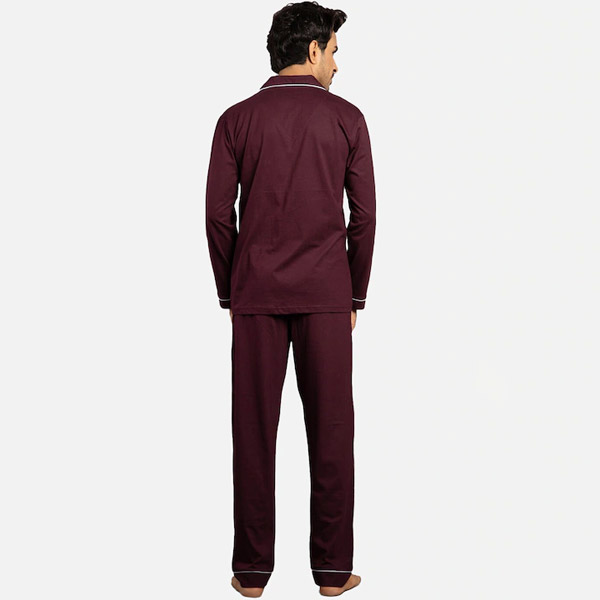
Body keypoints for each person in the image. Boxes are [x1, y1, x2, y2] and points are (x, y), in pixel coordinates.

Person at [205, 1, 376, 596]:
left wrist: (231, 289)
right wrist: (355, 293)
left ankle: (251, 572)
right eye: (334, 51)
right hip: (327, 294)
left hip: (254, 293)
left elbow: (217, 215)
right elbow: (365, 216)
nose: (337, 64)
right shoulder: (347, 119)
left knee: (252, 431)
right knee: (332, 430)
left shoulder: (236, 120)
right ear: (312, 49)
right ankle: (331, 572)